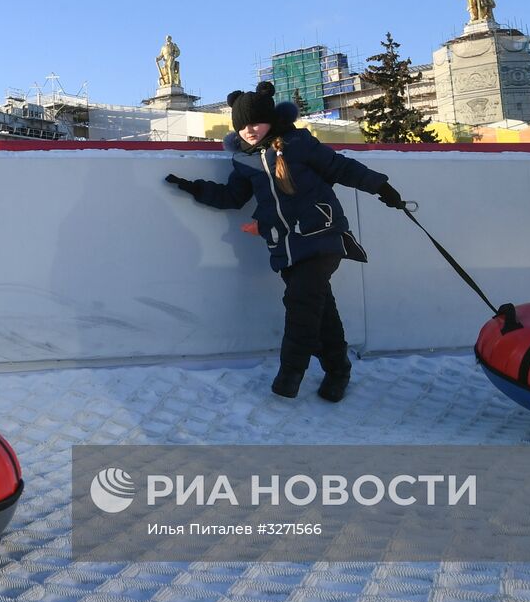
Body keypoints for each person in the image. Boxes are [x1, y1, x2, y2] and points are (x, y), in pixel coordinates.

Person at [164, 82, 406, 402]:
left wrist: (382, 188)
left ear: (270, 119)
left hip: (322, 235)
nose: (249, 130)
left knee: (300, 304)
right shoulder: (244, 161)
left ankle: (291, 373)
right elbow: (233, 197)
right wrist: (192, 187)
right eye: (242, 125)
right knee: (322, 313)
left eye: (255, 122)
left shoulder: (298, 144)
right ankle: (338, 370)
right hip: (285, 246)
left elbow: (341, 168)